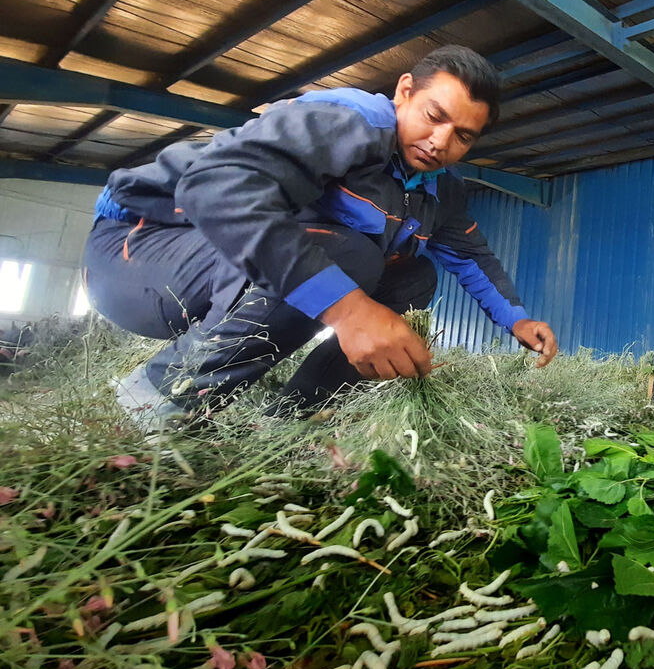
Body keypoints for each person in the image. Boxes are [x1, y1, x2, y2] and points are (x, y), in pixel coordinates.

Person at [84, 44, 557, 433]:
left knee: (413, 277)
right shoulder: (349, 120)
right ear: (405, 91)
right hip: (138, 250)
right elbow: (215, 188)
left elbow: (471, 255)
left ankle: (292, 418)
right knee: (351, 256)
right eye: (434, 115)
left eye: (463, 136)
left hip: (220, 275)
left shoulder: (437, 188)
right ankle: (153, 402)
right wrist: (350, 310)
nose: (440, 141)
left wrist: (516, 319)